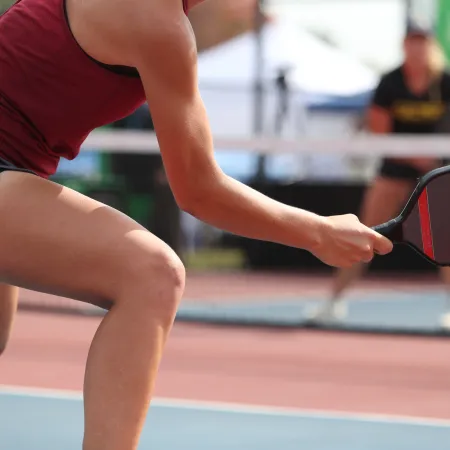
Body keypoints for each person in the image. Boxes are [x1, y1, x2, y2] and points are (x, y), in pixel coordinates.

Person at [0, 0, 392, 448]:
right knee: (152, 275)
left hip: (18, 168)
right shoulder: (156, 23)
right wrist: (318, 232)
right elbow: (199, 190)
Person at [307, 22, 450, 328]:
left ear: (431, 45)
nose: (418, 47)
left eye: (423, 41)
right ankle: (334, 302)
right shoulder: (390, 83)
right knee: (365, 234)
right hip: (394, 172)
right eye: (412, 41)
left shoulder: (445, 81)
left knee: (446, 240)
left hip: (437, 175)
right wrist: (416, 156)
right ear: (404, 45)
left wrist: (434, 161)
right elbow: (379, 132)